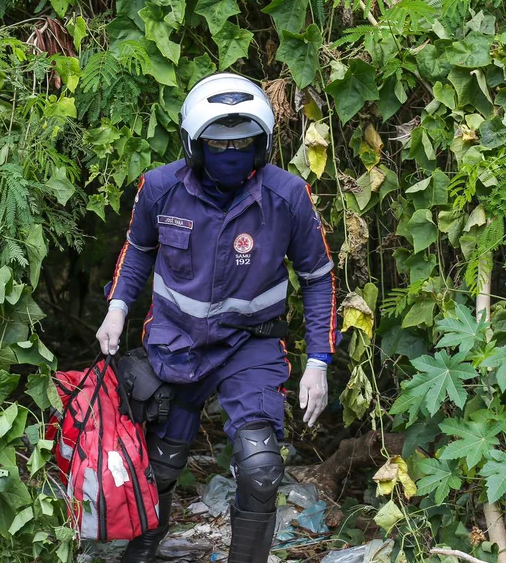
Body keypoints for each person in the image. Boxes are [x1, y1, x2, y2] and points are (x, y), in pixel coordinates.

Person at [96, 73, 340, 563]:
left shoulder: (287, 196)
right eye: (219, 143)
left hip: (251, 346)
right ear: (194, 144)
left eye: (243, 142)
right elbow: (138, 250)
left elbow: (318, 277)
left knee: (260, 466)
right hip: (176, 340)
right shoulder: (161, 189)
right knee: (159, 465)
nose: (231, 153)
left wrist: (318, 361)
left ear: (262, 144)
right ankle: (138, 555)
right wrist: (118, 308)